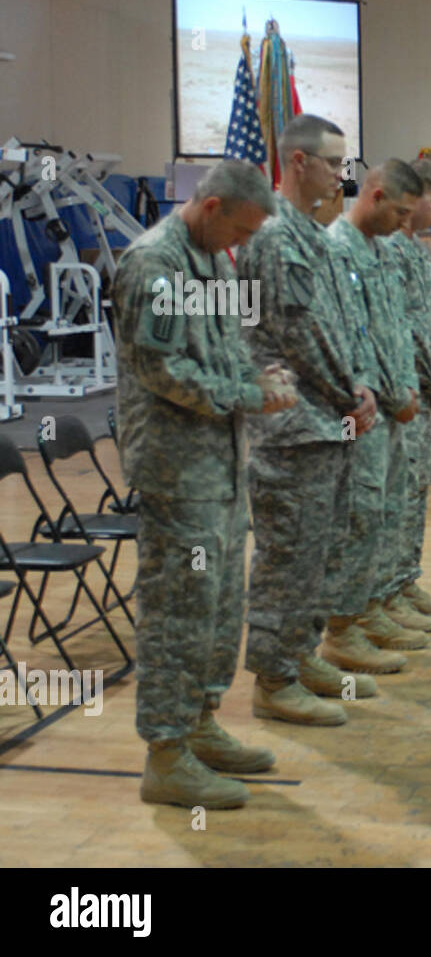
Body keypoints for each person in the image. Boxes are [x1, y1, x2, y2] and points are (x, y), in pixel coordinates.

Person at [114, 159, 296, 808]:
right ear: (211, 206)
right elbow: (162, 369)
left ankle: (199, 722)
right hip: (175, 469)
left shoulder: (214, 260)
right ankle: (165, 753)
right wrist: (248, 394)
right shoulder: (153, 264)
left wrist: (261, 375)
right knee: (177, 610)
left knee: (220, 606)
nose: (241, 246)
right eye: (239, 230)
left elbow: (224, 347)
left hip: (219, 460)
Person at [238, 114, 385, 724]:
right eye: (333, 163)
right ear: (298, 163)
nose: (341, 176)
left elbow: (339, 323)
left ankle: (299, 655)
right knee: (288, 556)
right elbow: (299, 335)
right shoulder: (276, 237)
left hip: (328, 419)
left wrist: (361, 385)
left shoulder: (311, 235)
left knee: (320, 549)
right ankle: (274, 680)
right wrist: (348, 390)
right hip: (295, 424)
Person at [326, 159, 428, 664]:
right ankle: (345, 628)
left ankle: (374, 605)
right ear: (376, 195)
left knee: (385, 510)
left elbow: (396, 329)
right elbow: (351, 340)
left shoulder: (380, 249)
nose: (403, 223)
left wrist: (408, 387)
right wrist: (387, 394)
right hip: (361, 411)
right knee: (359, 517)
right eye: (399, 212)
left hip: (391, 407)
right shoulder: (336, 249)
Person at [380, 158, 431, 627]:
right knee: (393, 496)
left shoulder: (414, 250)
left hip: (421, 388)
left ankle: (404, 580)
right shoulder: (388, 249)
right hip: (400, 392)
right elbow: (400, 326)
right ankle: (385, 593)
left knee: (414, 492)